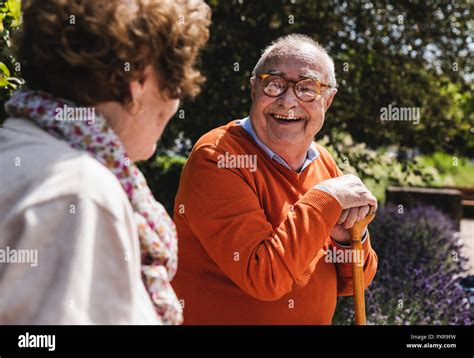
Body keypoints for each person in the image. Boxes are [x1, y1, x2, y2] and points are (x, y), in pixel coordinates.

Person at [0, 0, 210, 324]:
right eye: (177, 79)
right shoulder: (79, 193)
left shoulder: (19, 146)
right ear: (140, 78)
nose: (177, 99)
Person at [172, 34, 378, 324]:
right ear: (253, 88)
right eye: (274, 84)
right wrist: (326, 200)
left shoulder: (324, 163)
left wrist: (347, 242)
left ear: (328, 100)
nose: (288, 101)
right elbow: (264, 277)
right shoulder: (218, 156)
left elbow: (353, 282)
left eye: (307, 88)